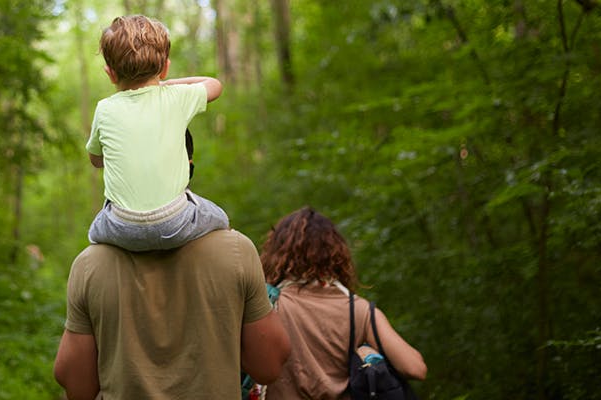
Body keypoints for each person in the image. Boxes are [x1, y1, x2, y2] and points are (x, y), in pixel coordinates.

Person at [53, 229, 291, 399]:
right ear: (187, 167)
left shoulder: (89, 264)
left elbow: (77, 387)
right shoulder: (236, 251)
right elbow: (268, 365)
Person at [84, 14, 230, 252]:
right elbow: (214, 84)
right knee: (220, 217)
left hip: (122, 227)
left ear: (110, 73)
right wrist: (165, 85)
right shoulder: (177, 97)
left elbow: (95, 159)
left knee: (94, 233)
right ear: (165, 69)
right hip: (175, 220)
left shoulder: (105, 108)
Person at [257, 207, 427, 399]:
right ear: (336, 254)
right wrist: (365, 352)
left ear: (277, 253)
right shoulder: (360, 310)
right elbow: (415, 368)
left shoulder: (266, 304)